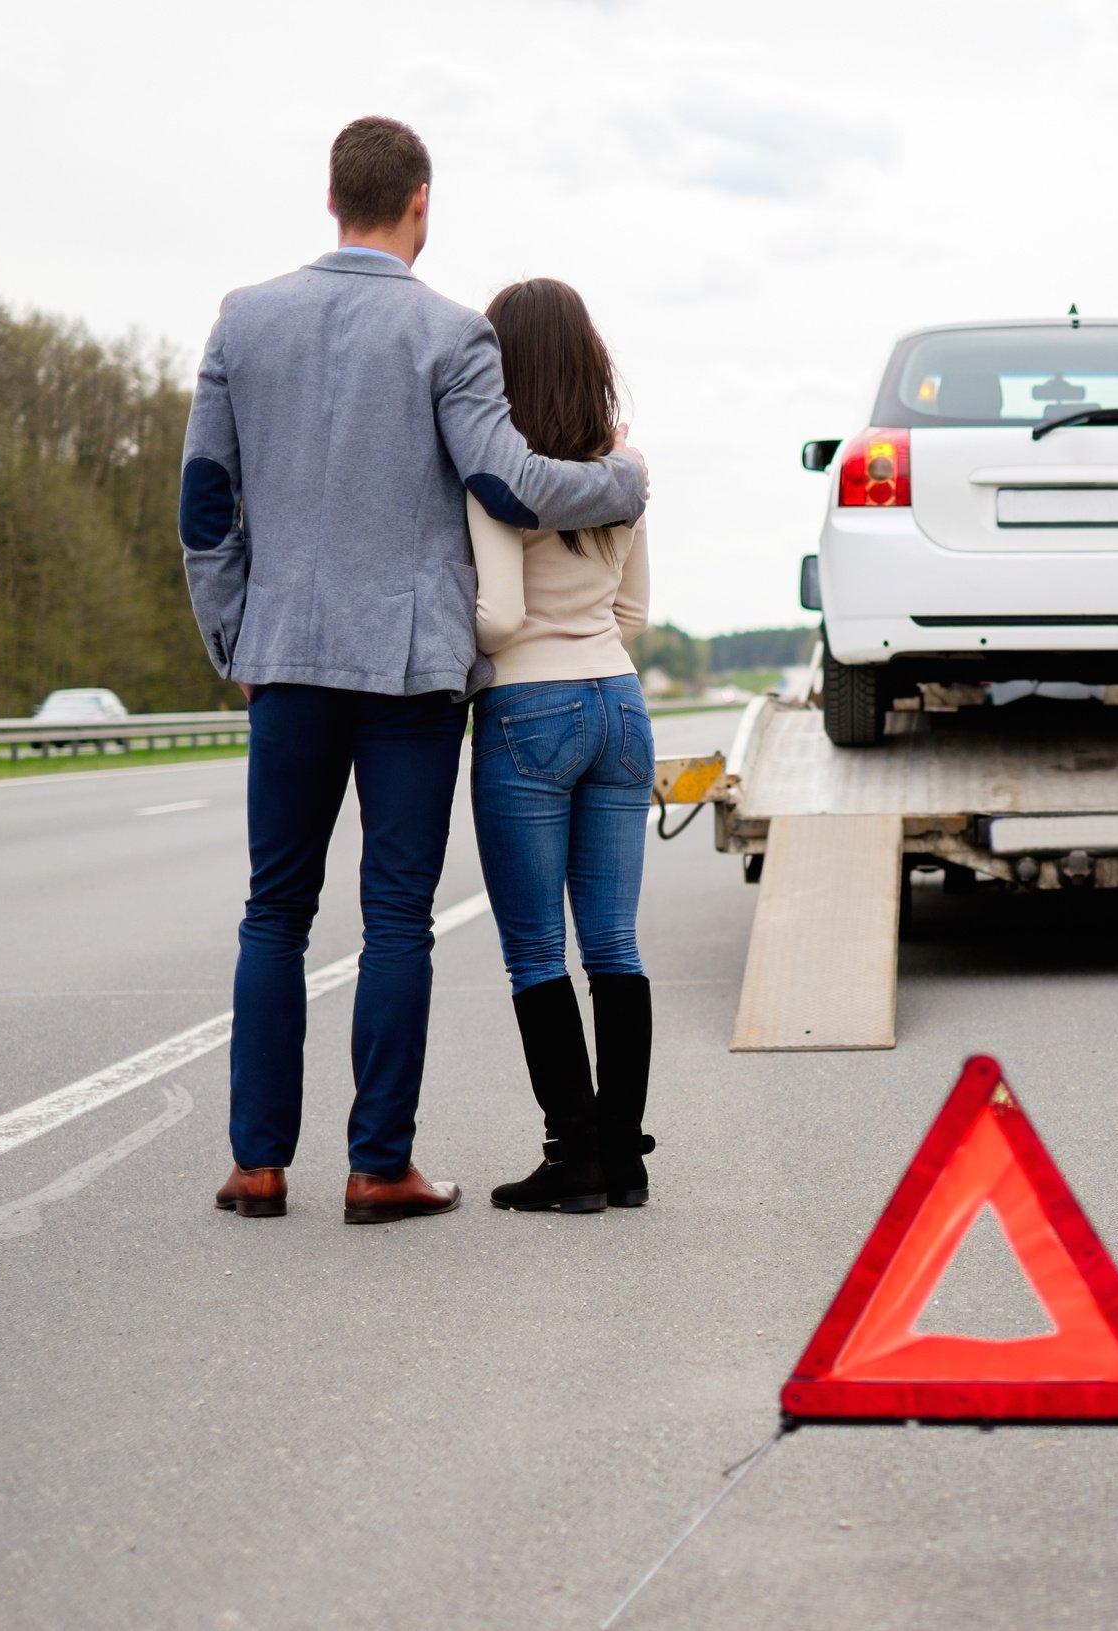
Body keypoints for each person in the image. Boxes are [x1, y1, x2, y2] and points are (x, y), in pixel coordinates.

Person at [178, 119, 648, 1225]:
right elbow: (514, 482)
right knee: (395, 918)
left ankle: (257, 1162)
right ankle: (376, 1165)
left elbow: (206, 503)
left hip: (284, 657)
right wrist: (624, 484)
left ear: (331, 195)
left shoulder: (243, 320)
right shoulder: (449, 334)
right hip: (410, 674)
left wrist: (233, 641)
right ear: (420, 200)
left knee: (272, 915)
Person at [467, 278, 656, 1215]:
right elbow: (635, 612)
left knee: (537, 948)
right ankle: (623, 1158)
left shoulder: (498, 477)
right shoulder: (623, 469)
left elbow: (498, 618)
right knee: (614, 943)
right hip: (620, 702)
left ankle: (570, 1158)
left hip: (527, 708)